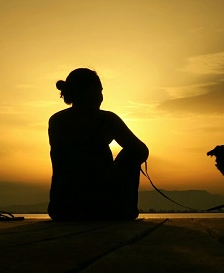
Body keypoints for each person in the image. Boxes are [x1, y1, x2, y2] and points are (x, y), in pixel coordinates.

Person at [47, 68, 149, 220]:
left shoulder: (56, 120)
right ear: (90, 90)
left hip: (62, 209)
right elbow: (141, 150)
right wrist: (120, 165)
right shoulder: (107, 119)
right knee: (131, 153)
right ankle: (125, 207)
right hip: (104, 209)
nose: (102, 96)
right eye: (100, 90)